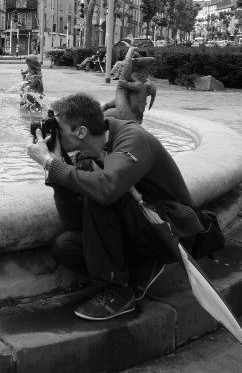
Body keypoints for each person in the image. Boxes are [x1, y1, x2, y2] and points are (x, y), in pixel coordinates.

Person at [26, 92, 204, 321]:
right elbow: (75, 222)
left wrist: (50, 164)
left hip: (171, 230)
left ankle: (118, 292)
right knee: (66, 245)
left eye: (56, 128)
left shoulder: (132, 137)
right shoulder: (84, 155)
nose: (52, 134)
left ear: (81, 132)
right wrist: (57, 169)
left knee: (102, 196)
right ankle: (141, 268)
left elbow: (106, 190)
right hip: (141, 228)